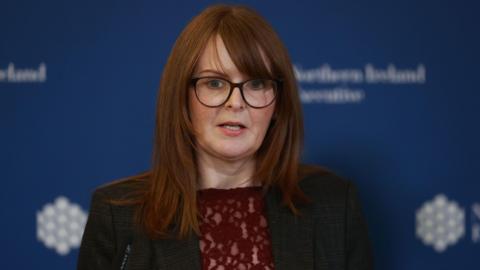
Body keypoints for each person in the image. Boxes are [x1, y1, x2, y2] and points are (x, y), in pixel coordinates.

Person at [77, 4, 374, 270]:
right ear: (183, 99)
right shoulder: (118, 215)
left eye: (256, 83)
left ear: (278, 105)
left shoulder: (335, 205)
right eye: (215, 83)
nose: (236, 102)